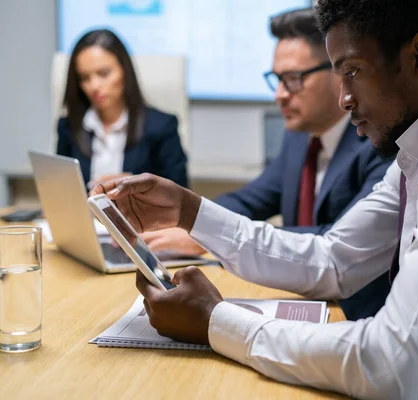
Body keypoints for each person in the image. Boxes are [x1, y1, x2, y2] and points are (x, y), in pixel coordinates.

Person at [91, 0, 418, 398]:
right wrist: (188, 210)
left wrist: (216, 322)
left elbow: (390, 365)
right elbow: (333, 261)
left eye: (351, 71)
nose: (343, 99)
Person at [140, 8, 392, 321]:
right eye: (277, 79)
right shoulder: (299, 137)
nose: (280, 95)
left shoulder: (379, 142)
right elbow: (250, 199)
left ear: (338, 72)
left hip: (354, 315)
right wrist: (190, 226)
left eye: (293, 79)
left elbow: (340, 245)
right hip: (301, 300)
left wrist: (211, 235)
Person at [57, 29, 188, 188]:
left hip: (138, 213)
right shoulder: (68, 128)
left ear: (124, 70)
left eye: (104, 73)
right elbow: (62, 190)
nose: (94, 86)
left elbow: (181, 196)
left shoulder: (162, 126)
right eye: (85, 78)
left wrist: (136, 184)